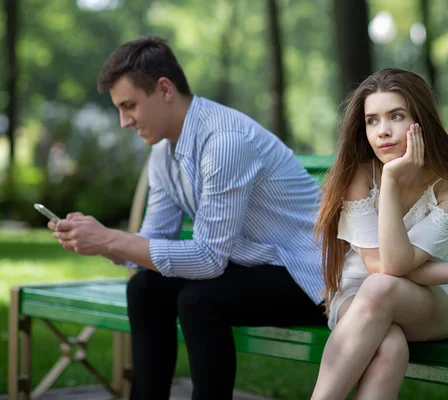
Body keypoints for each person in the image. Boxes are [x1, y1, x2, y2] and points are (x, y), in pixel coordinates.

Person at [48, 36, 327, 400]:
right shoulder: (164, 152)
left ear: (164, 89)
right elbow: (153, 240)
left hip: (309, 274)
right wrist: (96, 240)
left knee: (199, 300)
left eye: (129, 106)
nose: (123, 122)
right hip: (255, 264)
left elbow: (208, 260)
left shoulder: (225, 140)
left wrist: (110, 240)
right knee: (145, 289)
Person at [310, 68, 448, 400]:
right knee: (390, 344)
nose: (382, 131)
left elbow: (396, 267)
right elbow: (382, 267)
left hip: (434, 300)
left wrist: (390, 179)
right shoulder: (357, 174)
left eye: (396, 116)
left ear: (421, 120)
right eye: (372, 120)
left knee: (382, 287)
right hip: (358, 298)